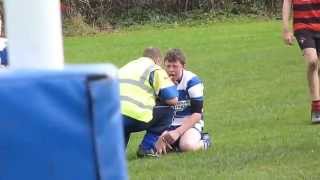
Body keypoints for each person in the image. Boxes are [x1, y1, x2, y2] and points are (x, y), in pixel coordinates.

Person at [138, 48, 211, 157]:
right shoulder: (161, 80)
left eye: (175, 66)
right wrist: (167, 90)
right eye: (168, 66)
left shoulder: (193, 81)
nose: (171, 70)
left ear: (183, 66)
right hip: (167, 125)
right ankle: (176, 145)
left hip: (189, 125)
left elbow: (197, 115)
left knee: (187, 146)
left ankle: (205, 141)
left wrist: (177, 132)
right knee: (151, 150)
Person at [119, 47, 178, 151]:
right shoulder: (154, 69)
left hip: (111, 116)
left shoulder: (125, 67)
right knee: (168, 108)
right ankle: (147, 147)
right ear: (158, 60)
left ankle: (117, 154)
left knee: (123, 124)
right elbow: (172, 99)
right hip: (134, 117)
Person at [282, 0, 320, 123]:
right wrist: (286, 28)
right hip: (303, 28)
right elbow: (287, 3)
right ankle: (316, 108)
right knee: (312, 62)